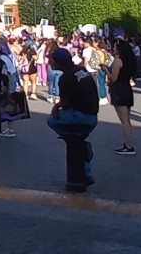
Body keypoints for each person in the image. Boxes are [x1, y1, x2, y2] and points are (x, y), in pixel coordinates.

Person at [46, 47, 99, 185]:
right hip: (93, 116)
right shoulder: (82, 70)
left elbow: (65, 102)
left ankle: (67, 138)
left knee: (51, 121)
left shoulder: (65, 78)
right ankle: (86, 172)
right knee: (79, 143)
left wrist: (55, 107)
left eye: (52, 60)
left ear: (58, 62)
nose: (50, 62)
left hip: (80, 116)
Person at [109, 40, 137, 155]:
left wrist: (106, 69)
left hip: (119, 89)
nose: (113, 48)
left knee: (124, 120)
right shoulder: (130, 60)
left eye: (115, 47)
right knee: (127, 120)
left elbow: (113, 78)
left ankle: (128, 145)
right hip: (127, 88)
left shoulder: (117, 61)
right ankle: (128, 143)